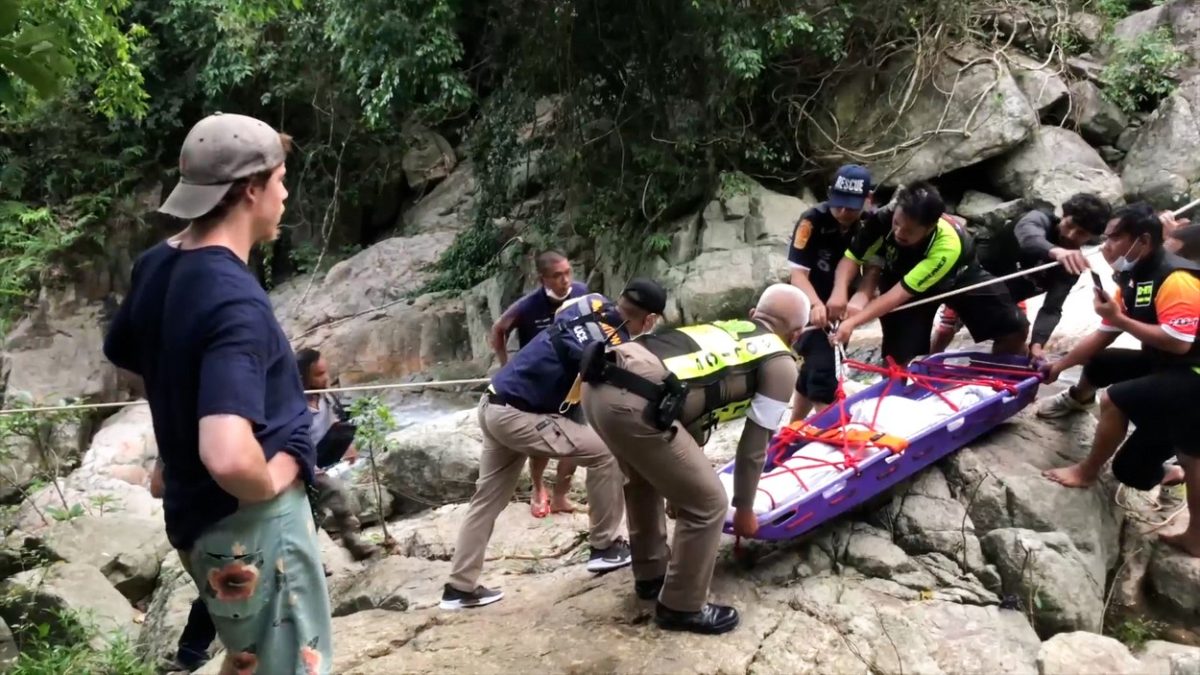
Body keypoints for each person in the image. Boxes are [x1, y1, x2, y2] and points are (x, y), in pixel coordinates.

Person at [102, 113, 332, 674]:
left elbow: (126, 348)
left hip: (196, 519)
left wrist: (175, 440)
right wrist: (277, 473)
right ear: (251, 189)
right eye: (280, 179)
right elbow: (228, 454)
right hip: (254, 526)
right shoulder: (235, 301)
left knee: (248, 659)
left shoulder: (156, 265)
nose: (285, 192)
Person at [579, 284, 809, 635]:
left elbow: (694, 405)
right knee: (708, 503)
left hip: (597, 386)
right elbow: (753, 448)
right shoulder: (780, 362)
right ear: (796, 334)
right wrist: (744, 508)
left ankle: (652, 576)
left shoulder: (724, 331)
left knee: (642, 479)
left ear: (753, 316)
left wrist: (678, 485)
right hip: (635, 400)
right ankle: (681, 606)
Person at [439, 282, 665, 611]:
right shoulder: (614, 345)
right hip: (519, 415)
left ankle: (458, 588)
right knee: (606, 454)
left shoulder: (590, 302)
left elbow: (564, 316)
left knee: (486, 500)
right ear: (650, 319)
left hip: (492, 402)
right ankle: (604, 546)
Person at [1037, 203, 1200, 556]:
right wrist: (1059, 365)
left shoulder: (1177, 279)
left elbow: (1179, 341)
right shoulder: (1130, 277)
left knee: (1115, 398)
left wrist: (1121, 320)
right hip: (1167, 368)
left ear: (1141, 241)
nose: (1105, 246)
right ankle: (1169, 472)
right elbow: (1104, 332)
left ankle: (1087, 471)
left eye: (1113, 238)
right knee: (1132, 471)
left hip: (1192, 375)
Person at [829, 181, 1029, 364]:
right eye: (897, 224)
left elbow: (897, 295)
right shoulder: (884, 217)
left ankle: (996, 376)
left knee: (1014, 327)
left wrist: (854, 322)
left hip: (957, 278)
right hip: (900, 273)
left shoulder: (947, 246)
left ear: (930, 227)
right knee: (899, 356)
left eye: (908, 231)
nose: (898, 232)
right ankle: (898, 390)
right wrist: (839, 292)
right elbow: (852, 257)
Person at [930, 193, 1112, 358]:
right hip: (972, 279)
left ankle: (989, 379)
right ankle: (927, 363)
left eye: (1081, 234)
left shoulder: (1072, 265)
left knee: (1019, 341)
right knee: (949, 326)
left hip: (1005, 298)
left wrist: (1038, 344)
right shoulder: (1038, 218)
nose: (1071, 235)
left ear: (1091, 238)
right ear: (1062, 216)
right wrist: (1056, 252)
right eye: (1069, 225)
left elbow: (1051, 308)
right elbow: (1029, 239)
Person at [490, 250, 589, 518]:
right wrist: (505, 364)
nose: (565, 280)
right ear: (542, 278)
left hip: (573, 381)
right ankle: (538, 490)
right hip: (538, 385)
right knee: (542, 441)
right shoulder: (529, 305)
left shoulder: (582, 293)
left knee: (576, 437)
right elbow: (499, 330)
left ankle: (560, 495)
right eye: (557, 276)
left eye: (568, 273)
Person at [787, 164, 873, 421]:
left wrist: (861, 298)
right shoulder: (811, 221)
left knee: (813, 370)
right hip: (808, 303)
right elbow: (797, 274)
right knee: (823, 374)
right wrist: (814, 304)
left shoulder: (870, 225)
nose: (845, 212)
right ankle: (832, 432)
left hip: (843, 309)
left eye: (852, 206)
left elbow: (872, 271)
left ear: (867, 200)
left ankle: (794, 428)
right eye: (839, 205)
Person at [297, 348, 380, 561]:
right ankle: (352, 544)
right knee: (335, 493)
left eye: (325, 372)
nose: (325, 379)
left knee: (316, 513)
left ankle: (314, 557)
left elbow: (336, 421)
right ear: (302, 376)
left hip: (318, 461)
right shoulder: (293, 405)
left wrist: (347, 446)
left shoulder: (326, 398)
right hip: (300, 466)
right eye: (318, 375)